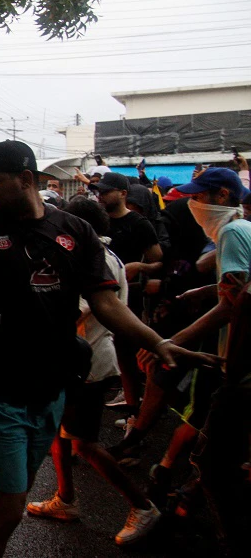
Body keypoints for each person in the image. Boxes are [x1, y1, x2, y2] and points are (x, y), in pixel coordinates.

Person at [0, 140, 219, 558]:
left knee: (7, 503)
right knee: (6, 512)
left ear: (26, 180)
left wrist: (159, 342)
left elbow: (106, 302)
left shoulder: (75, 232)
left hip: (52, 388)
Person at [27, 196, 162, 547]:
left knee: (85, 444)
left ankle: (142, 506)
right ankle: (66, 499)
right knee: (60, 430)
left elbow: (80, 310)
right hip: (79, 358)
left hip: (88, 363)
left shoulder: (93, 258)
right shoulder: (104, 254)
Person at [141, 167, 251, 556]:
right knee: (219, 447)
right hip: (239, 359)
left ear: (222, 195)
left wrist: (171, 342)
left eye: (199, 197)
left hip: (240, 362)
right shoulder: (242, 228)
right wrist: (201, 291)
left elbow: (233, 302)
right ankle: (184, 507)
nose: (193, 204)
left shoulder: (233, 232)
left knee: (216, 460)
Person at [94, 172, 162, 417]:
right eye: (98, 191)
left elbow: (158, 262)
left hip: (126, 296)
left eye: (105, 191)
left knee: (125, 352)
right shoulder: (96, 220)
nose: (100, 195)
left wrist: (138, 267)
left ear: (123, 194)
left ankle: (134, 409)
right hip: (95, 296)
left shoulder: (138, 223)